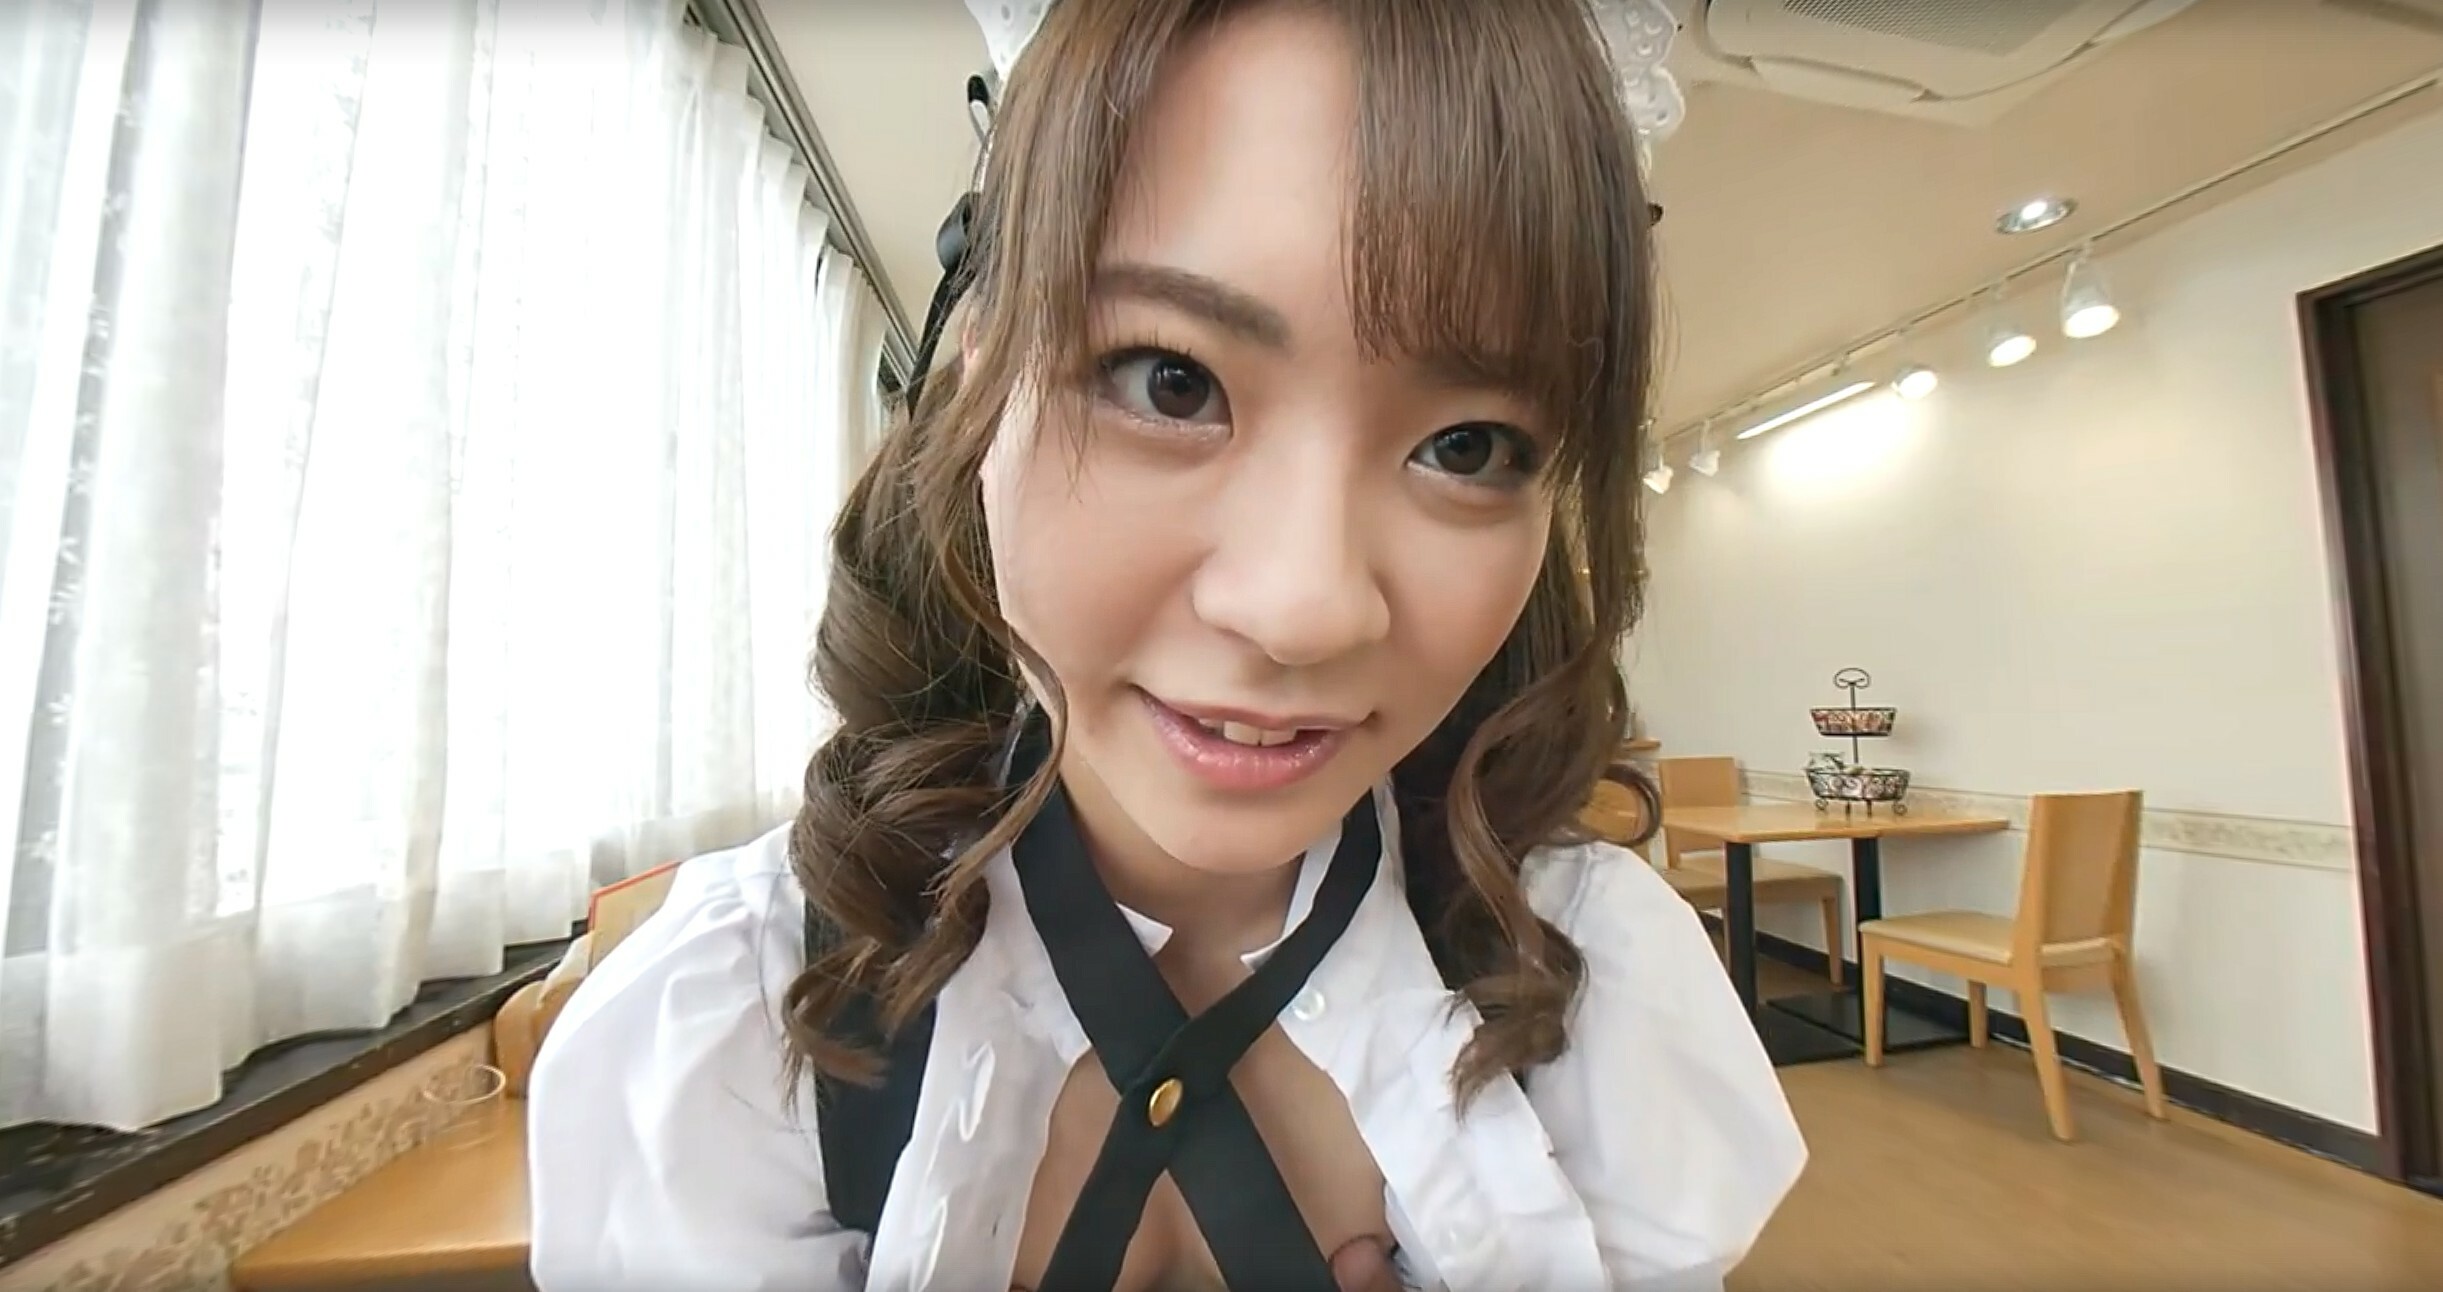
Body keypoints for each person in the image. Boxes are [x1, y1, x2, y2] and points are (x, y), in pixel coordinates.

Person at [526, 0, 1805, 1288]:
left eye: (1467, 447)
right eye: (1169, 380)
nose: (1304, 607)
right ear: (975, 388)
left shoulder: (1587, 989)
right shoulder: (745, 1026)